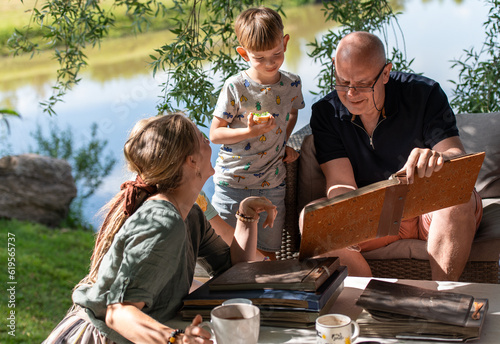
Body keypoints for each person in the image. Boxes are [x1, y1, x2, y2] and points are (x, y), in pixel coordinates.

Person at [43, 113, 277, 344]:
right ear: (191, 161)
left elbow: (233, 270)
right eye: (202, 138)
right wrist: (176, 340)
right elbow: (118, 313)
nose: (209, 141)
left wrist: (246, 216)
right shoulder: (163, 222)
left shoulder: (191, 215)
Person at [308, 31, 483, 281]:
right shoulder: (325, 112)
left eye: (362, 84)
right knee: (313, 220)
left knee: (457, 198)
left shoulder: (424, 93)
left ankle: (440, 298)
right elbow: (339, 183)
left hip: (431, 209)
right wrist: (345, 218)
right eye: (342, 82)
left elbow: (455, 154)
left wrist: (439, 158)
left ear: (386, 72)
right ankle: (370, 297)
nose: (350, 93)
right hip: (377, 217)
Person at [210, 6, 305, 260]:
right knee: (227, 258)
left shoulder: (292, 83)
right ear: (243, 53)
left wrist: (281, 141)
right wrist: (249, 131)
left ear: (285, 43)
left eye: (276, 53)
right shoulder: (235, 87)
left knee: (267, 259)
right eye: (260, 58)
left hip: (272, 185)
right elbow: (215, 134)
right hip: (233, 183)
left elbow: (292, 113)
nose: (270, 63)